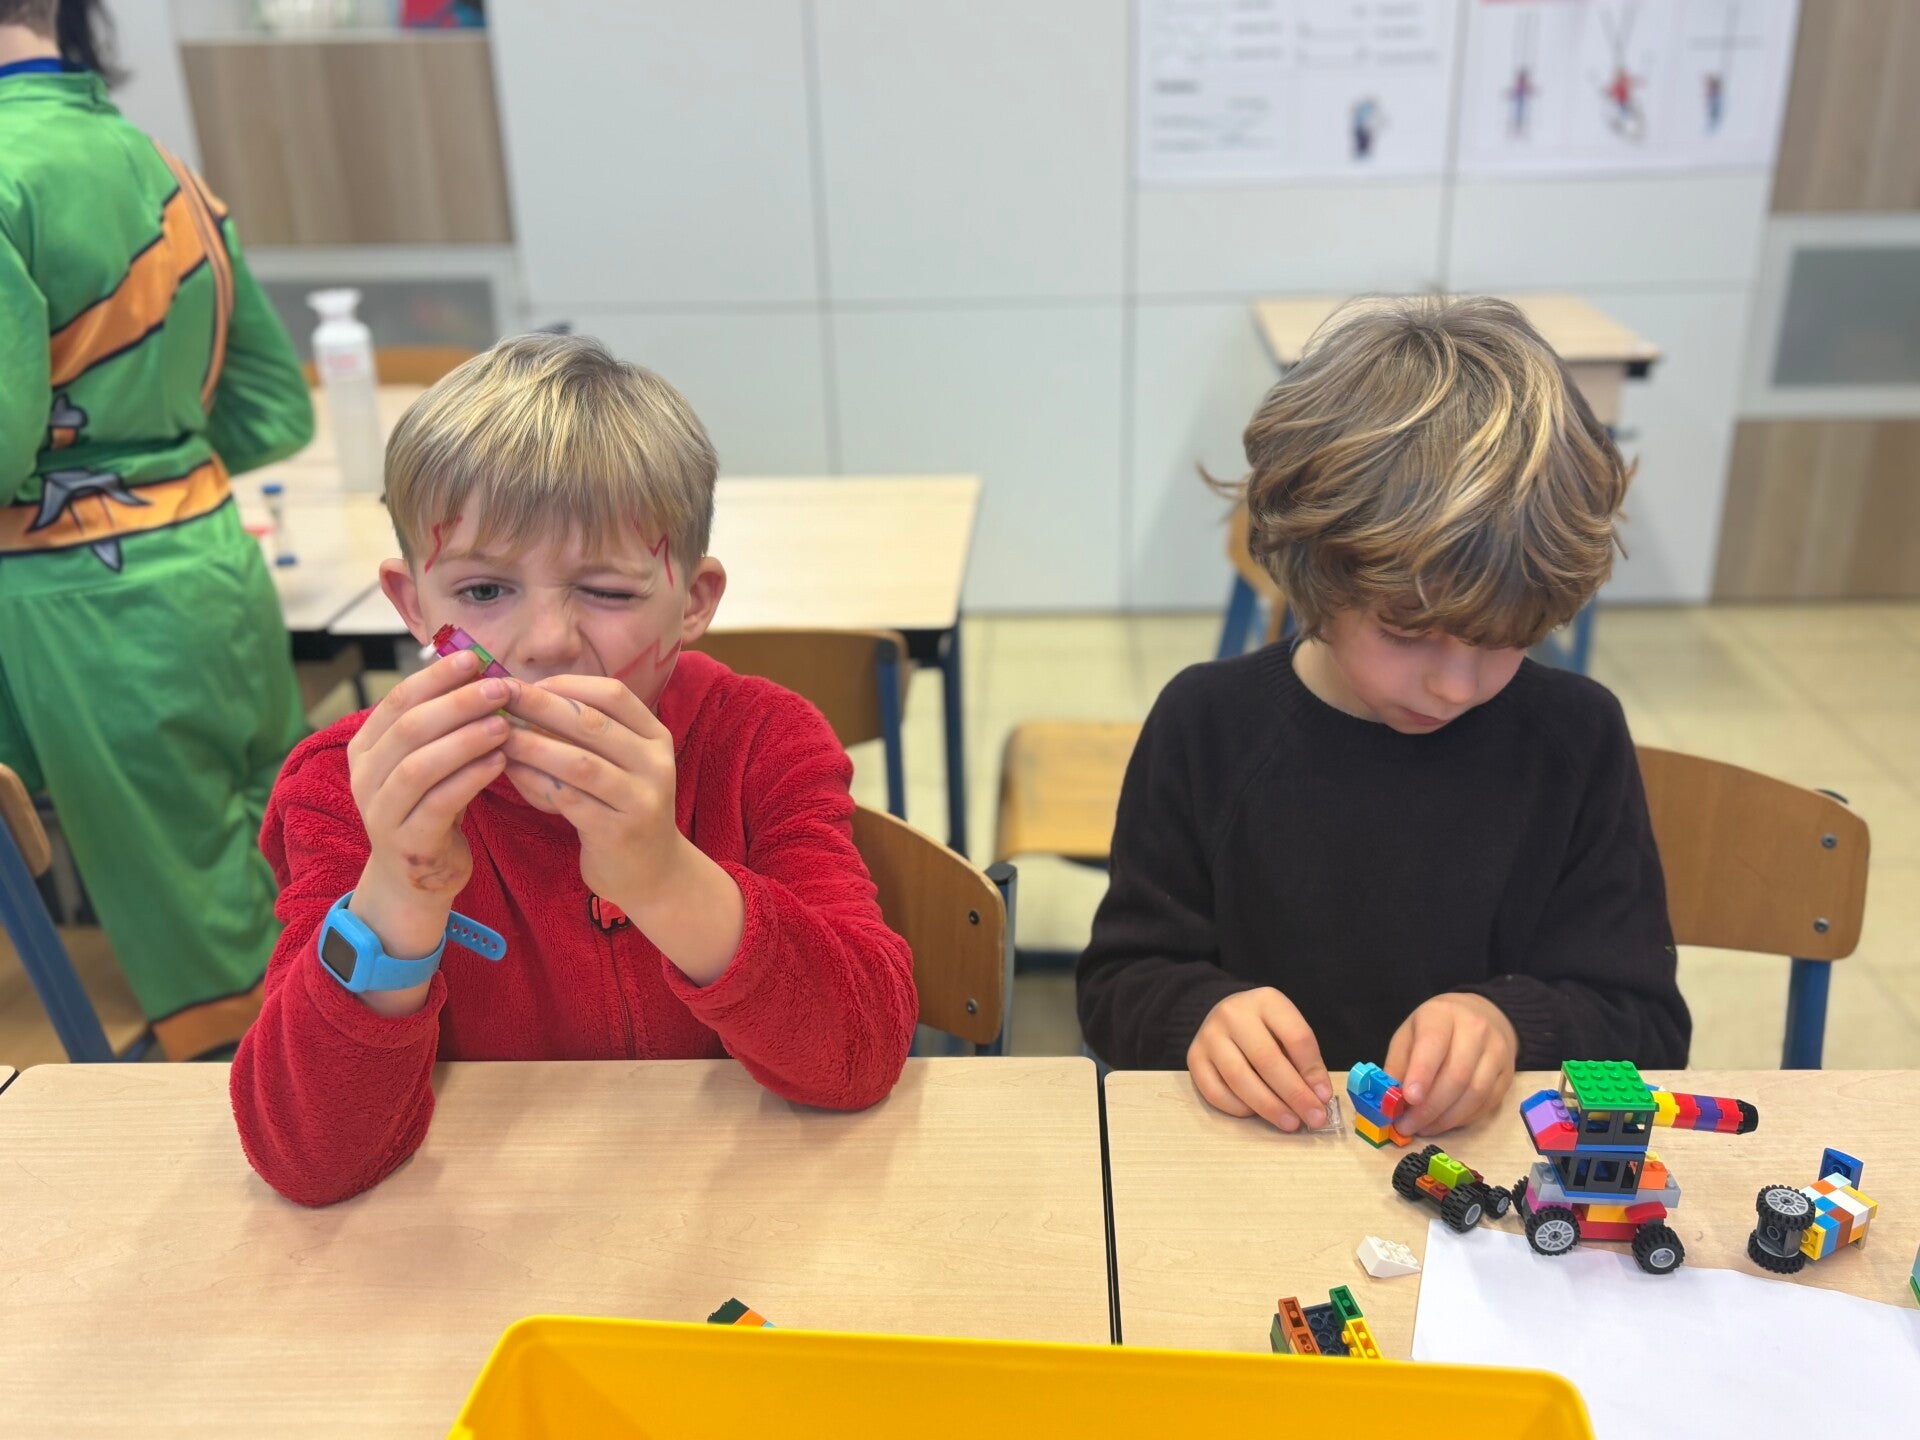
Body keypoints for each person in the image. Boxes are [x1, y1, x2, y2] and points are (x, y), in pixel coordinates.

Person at [230, 335, 919, 1206]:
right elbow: (307, 1160)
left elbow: (859, 1058)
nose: (547, 642)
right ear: (412, 605)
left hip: (733, 1209)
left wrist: (662, 875)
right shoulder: (347, 786)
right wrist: (399, 890)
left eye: (610, 592)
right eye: (483, 591)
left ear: (694, 602)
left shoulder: (763, 742)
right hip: (485, 1231)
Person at [1077, 296, 1689, 1138]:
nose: (1456, 685)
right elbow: (1118, 986)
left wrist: (1513, 1024)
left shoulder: (1577, 741)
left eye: (1505, 638)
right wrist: (1200, 1017)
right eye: (1406, 633)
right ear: (1314, 571)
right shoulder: (1207, 725)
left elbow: (1646, 1025)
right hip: (1256, 1164)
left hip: (1488, 1181)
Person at [0, 0, 314, 1059]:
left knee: (207, 952)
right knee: (292, 856)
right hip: (216, 561)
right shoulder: (162, 165)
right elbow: (273, 409)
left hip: (76, 597)